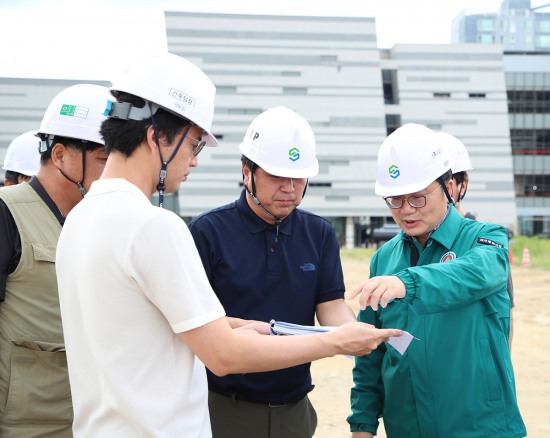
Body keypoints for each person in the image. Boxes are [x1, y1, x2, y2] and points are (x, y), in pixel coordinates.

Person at [54, 53, 402, 438]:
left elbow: (155, 325)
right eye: (194, 146)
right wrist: (337, 342)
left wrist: (238, 326)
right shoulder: (155, 226)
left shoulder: (79, 219)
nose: (194, 162)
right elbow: (224, 355)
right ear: (156, 137)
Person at [346, 123, 526, 438]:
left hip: (480, 428)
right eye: (395, 200)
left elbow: (478, 272)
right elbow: (371, 355)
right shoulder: (384, 259)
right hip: (407, 427)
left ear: (447, 186)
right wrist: (362, 424)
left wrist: (407, 283)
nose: (406, 211)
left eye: (417, 198)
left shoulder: (486, 239)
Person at [188, 106, 358, 438]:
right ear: (246, 171)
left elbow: (331, 307)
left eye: (298, 177)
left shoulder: (319, 233)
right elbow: (194, 322)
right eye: (278, 176)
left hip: (296, 410)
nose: (290, 188)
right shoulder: (207, 232)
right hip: (222, 408)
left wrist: (358, 335)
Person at [0, 83, 111, 437]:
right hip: (25, 423)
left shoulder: (100, 221)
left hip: (86, 420)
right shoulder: (8, 213)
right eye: (103, 159)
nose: (112, 172)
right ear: (60, 155)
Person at [436, 131, 516, 350]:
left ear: (461, 184)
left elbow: (505, 314)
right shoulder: (402, 246)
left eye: (445, 181)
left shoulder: (486, 240)